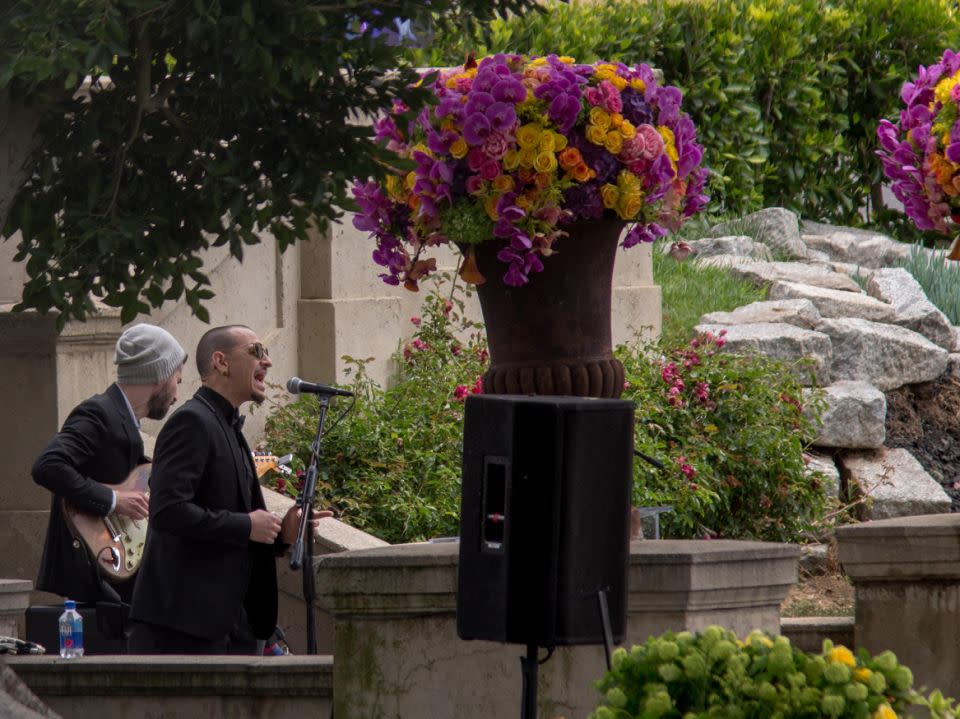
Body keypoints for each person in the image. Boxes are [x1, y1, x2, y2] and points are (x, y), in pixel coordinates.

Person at [128, 324, 330, 654]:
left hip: (229, 626)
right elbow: (167, 511)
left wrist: (282, 535)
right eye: (257, 352)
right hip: (182, 629)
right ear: (221, 362)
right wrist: (247, 525)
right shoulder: (191, 422)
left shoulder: (226, 425)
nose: (267, 362)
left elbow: (232, 521)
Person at [32, 323, 187, 604]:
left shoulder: (120, 417)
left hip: (108, 572)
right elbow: (48, 465)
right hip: (92, 578)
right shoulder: (99, 413)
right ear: (159, 375)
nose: (177, 394)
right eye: (177, 378)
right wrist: (114, 500)